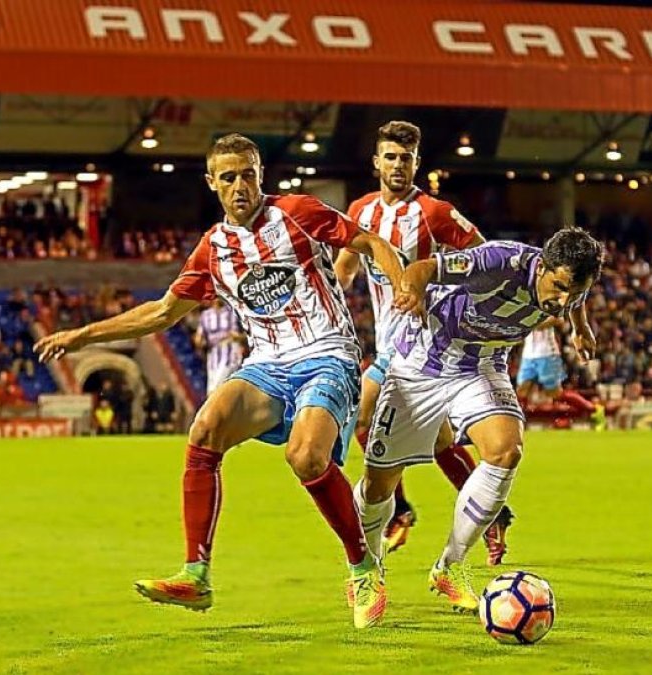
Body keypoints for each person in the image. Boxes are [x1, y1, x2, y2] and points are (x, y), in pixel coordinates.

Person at [34, 133, 410, 629]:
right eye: (228, 177)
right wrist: (84, 335)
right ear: (212, 183)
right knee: (205, 428)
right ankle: (196, 575)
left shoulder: (297, 212)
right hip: (268, 365)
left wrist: (403, 283)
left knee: (305, 456)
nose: (240, 186)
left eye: (248, 174)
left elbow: (369, 242)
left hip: (327, 354)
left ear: (261, 175)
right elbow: (164, 311)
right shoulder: (214, 249)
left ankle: (363, 567)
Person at [355, 228, 603, 613]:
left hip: (482, 365)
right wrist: (413, 291)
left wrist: (581, 327)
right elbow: (422, 267)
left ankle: (449, 566)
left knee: (506, 450)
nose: (564, 300)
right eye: (559, 287)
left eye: (576, 291)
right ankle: (368, 569)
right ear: (543, 267)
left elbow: (575, 298)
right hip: (424, 361)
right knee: (378, 486)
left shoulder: (570, 284)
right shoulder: (498, 263)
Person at [335, 120, 515, 564]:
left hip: (430, 350)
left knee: (368, 418)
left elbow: (486, 260)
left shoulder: (433, 213)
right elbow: (344, 268)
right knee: (432, 442)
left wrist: (453, 301)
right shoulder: (361, 211)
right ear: (376, 162)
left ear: (417, 162)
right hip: (388, 347)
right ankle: (475, 514)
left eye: (407, 158)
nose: (399, 165)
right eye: (391, 157)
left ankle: (401, 510)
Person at [193, 298, 245, 397]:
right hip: (213, 354)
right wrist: (199, 342)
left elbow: (245, 334)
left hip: (231, 351)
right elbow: (199, 337)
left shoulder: (232, 312)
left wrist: (237, 337)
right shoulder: (206, 315)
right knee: (212, 390)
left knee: (216, 387)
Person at [516, 319, 568, 404]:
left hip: (547, 353)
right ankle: (526, 415)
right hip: (528, 354)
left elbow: (559, 319)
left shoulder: (548, 306)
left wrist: (537, 325)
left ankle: (585, 407)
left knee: (553, 392)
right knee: (522, 389)